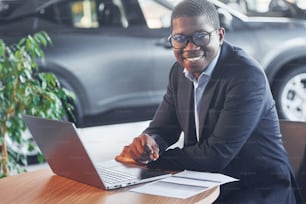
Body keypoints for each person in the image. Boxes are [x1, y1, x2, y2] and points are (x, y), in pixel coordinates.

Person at [115, 0, 302, 203]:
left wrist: (153, 161)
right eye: (180, 38)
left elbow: (216, 155)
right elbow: (163, 128)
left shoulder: (246, 75)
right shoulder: (178, 72)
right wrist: (148, 145)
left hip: (257, 188)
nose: (190, 47)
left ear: (220, 36)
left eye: (200, 36)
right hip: (205, 180)